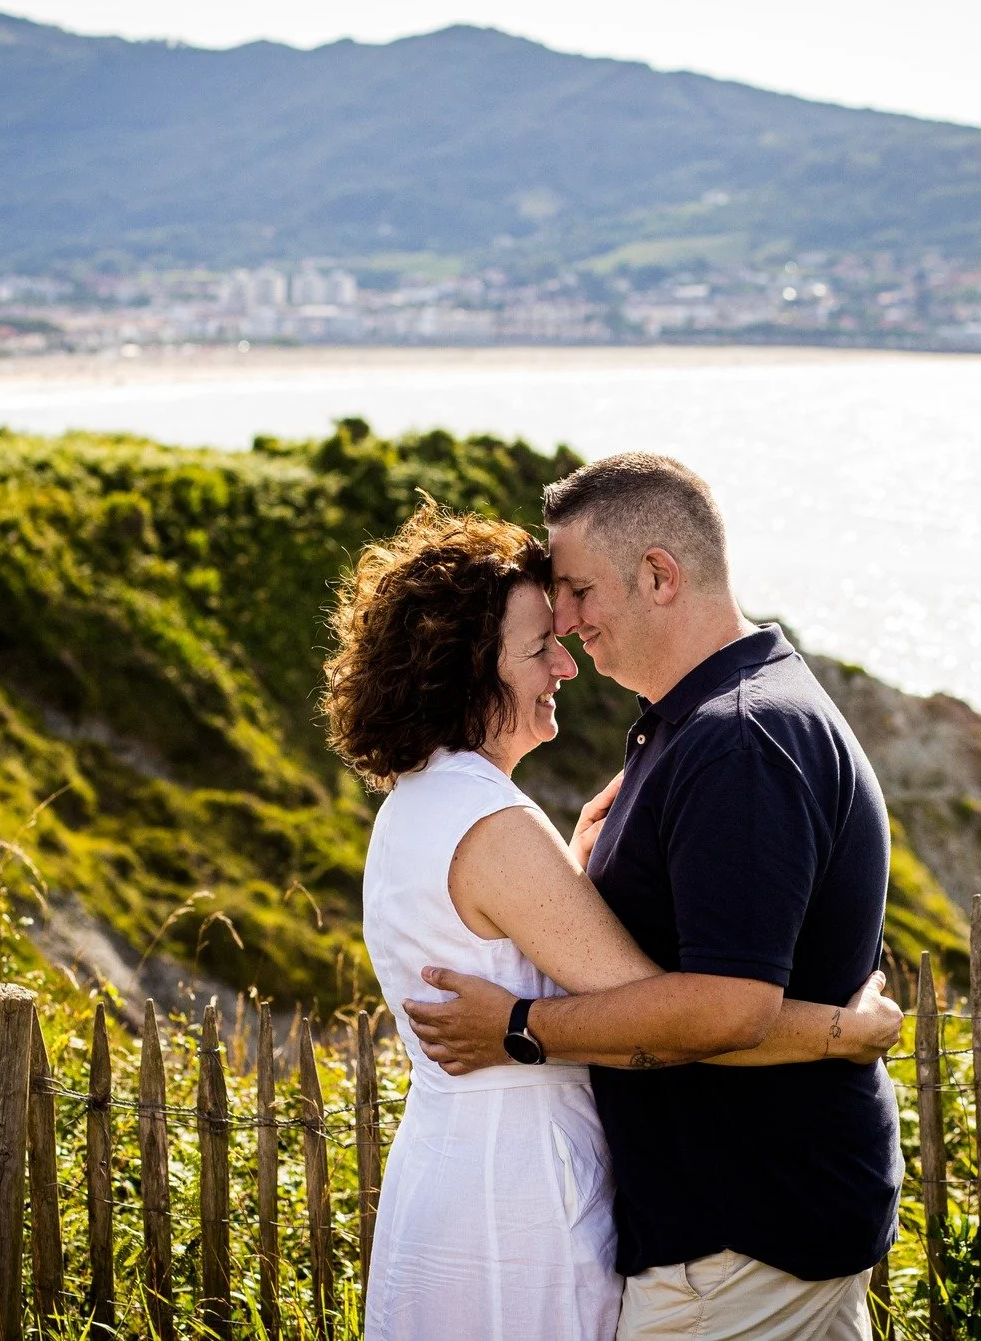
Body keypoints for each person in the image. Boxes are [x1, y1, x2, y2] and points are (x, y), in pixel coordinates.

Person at [323, 502, 901, 1341]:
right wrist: (840, 1030)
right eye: (538, 647)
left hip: (451, 1170)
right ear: (467, 671)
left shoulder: (420, 800)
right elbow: (683, 1018)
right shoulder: (494, 826)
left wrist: (576, 870)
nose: (566, 660)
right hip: (520, 1192)